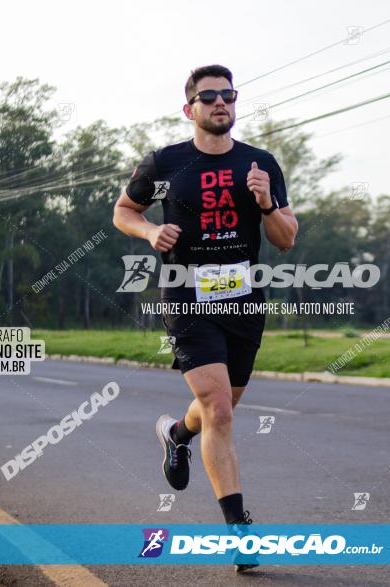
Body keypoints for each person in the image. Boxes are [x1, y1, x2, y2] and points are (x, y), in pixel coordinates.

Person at [113, 64, 298, 572]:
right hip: (186, 295)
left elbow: (285, 238)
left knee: (221, 406)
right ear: (189, 108)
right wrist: (150, 233)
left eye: (228, 95)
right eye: (209, 96)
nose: (220, 103)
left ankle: (176, 435)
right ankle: (240, 531)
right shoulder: (166, 163)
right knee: (219, 408)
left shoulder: (260, 163)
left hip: (243, 299)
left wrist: (264, 202)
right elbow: (123, 211)